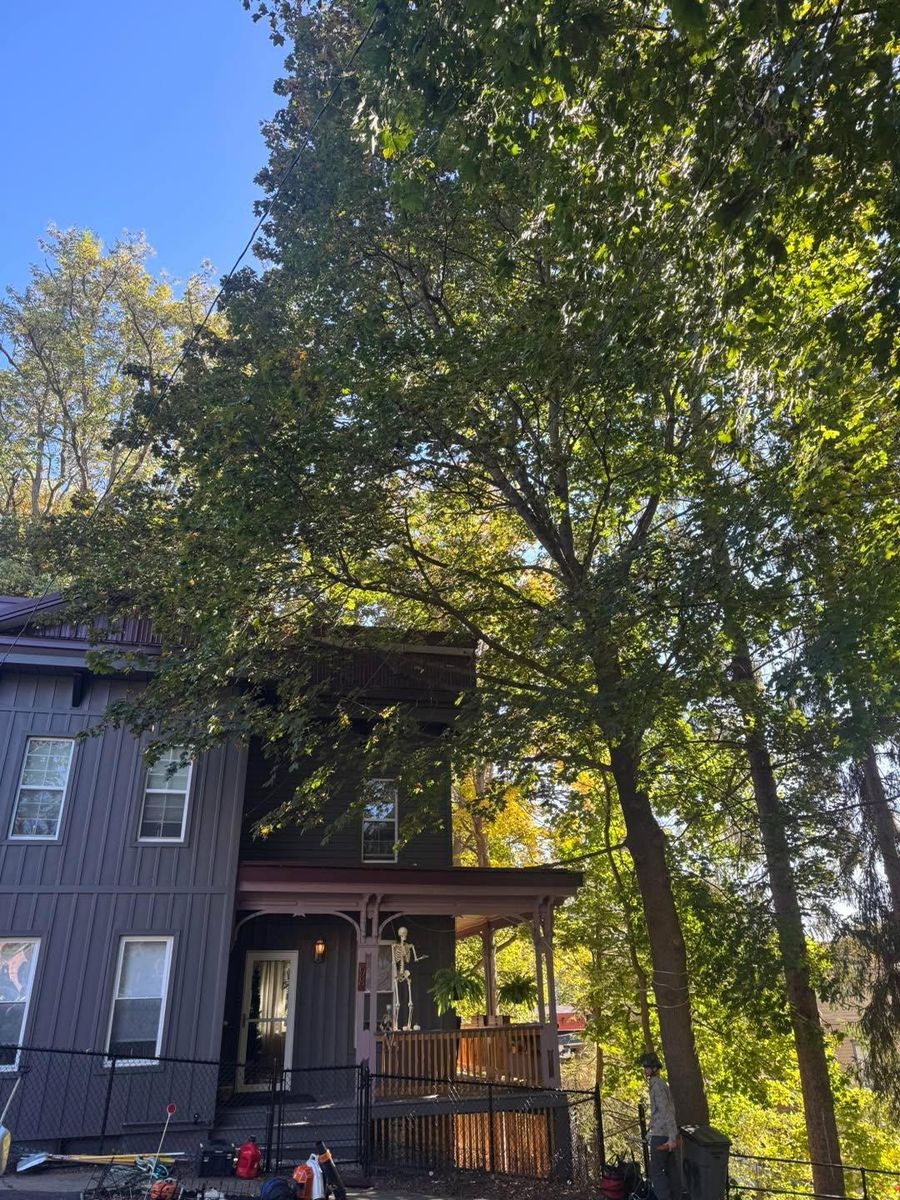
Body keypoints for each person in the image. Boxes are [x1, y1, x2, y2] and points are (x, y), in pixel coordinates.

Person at [639, 1051, 682, 1200]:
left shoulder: (657, 1086)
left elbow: (666, 1112)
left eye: (647, 1067)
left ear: (654, 1068)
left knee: (656, 1171)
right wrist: (650, 1131)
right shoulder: (659, 1084)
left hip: (662, 1136)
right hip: (662, 1133)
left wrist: (671, 1137)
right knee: (671, 1170)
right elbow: (658, 1113)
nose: (645, 1070)